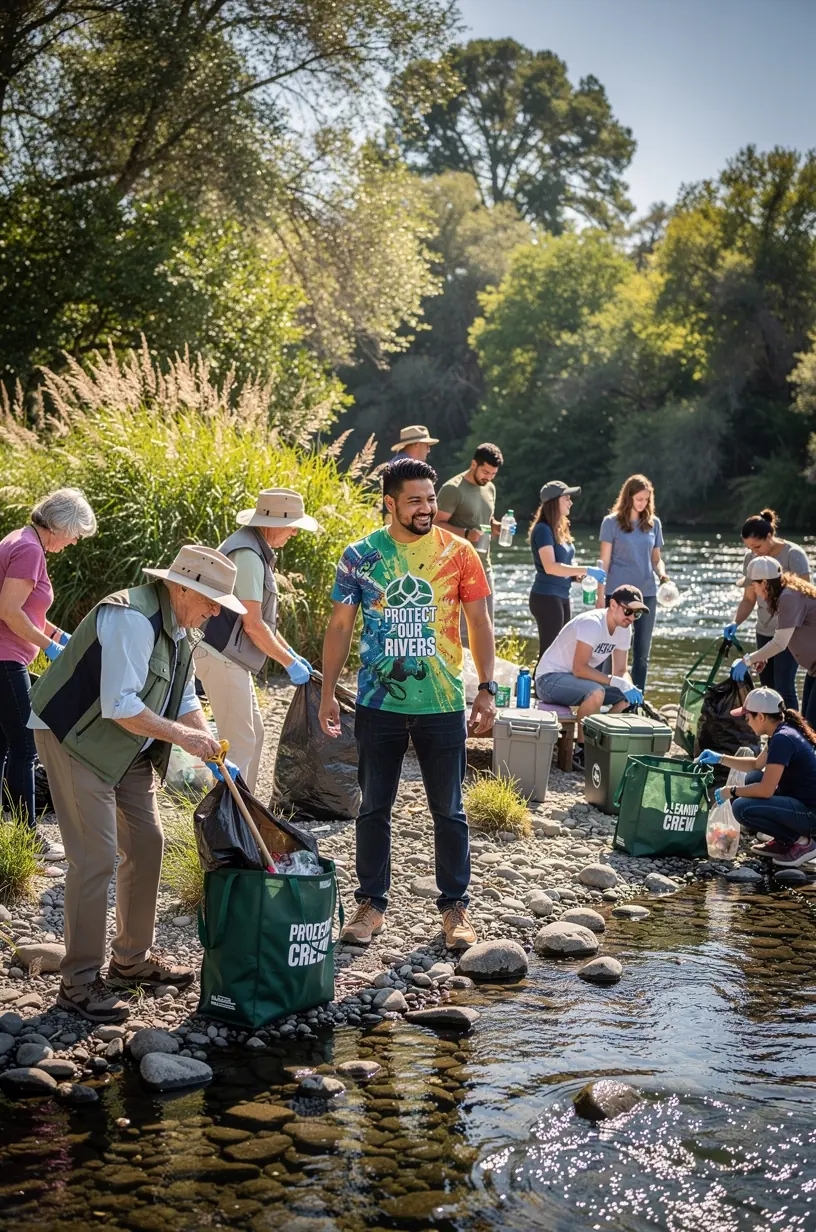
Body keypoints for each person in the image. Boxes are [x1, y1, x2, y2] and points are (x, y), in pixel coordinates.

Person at [28, 545, 244, 1024]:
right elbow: (121, 705)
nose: (214, 611)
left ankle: (131, 961)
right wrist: (183, 736)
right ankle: (78, 984)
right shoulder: (130, 617)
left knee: (148, 843)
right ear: (183, 587)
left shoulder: (183, 628)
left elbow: (184, 696)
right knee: (95, 857)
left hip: (127, 747)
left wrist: (210, 745)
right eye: (211, 601)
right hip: (73, 738)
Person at [319, 457, 497, 951]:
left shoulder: (460, 554)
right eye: (415, 500)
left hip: (442, 702)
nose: (426, 508)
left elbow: (480, 624)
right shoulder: (360, 556)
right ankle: (371, 904)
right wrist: (329, 693)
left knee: (450, 809)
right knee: (374, 807)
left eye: (431, 499)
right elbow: (339, 627)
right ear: (390, 503)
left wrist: (487, 688)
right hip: (379, 703)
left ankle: (455, 909)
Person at [195, 489, 318, 790]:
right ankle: (226, 822)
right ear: (272, 523)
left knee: (255, 734)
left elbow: (258, 620)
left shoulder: (253, 547)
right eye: (292, 527)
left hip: (228, 657)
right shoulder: (248, 555)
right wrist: (289, 663)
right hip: (221, 656)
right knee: (238, 743)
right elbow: (252, 625)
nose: (293, 534)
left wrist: (291, 654)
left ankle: (243, 814)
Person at [0, 488, 97, 857]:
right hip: (6, 659)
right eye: (75, 534)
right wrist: (49, 648)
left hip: (7, 656)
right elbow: (9, 612)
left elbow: (28, 611)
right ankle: (29, 839)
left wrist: (59, 636)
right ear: (63, 525)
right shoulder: (28, 550)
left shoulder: (22, 540)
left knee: (3, 747)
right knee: (25, 747)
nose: (73, 542)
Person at [698, 686, 816, 868]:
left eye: (748, 716)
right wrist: (719, 758)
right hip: (800, 803)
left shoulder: (783, 739)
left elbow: (766, 790)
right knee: (752, 777)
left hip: (810, 814)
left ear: (761, 717)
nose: (746, 721)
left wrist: (731, 791)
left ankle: (801, 843)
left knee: (741, 807)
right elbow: (756, 765)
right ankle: (785, 840)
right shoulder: (782, 731)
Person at [534, 585, 647, 769]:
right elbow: (579, 669)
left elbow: (620, 671)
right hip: (548, 680)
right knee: (596, 692)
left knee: (624, 699)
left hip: (577, 682)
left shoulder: (625, 629)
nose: (632, 618)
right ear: (612, 604)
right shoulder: (592, 623)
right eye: (628, 610)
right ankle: (581, 751)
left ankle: (600, 743)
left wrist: (630, 688)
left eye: (637, 614)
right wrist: (615, 681)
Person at [723, 509, 810, 710]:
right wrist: (735, 622)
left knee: (784, 687)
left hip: (790, 634)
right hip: (764, 630)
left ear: (769, 536)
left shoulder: (793, 555)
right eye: (749, 548)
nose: (754, 552)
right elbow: (748, 599)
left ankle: (790, 735)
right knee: (767, 689)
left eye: (757, 546)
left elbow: (806, 598)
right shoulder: (751, 559)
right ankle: (773, 737)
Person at [596, 474, 669, 693]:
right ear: (628, 497)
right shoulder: (611, 523)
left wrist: (663, 575)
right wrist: (601, 597)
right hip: (616, 595)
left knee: (642, 654)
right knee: (609, 649)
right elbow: (604, 562)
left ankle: (637, 699)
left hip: (646, 594)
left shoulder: (653, 524)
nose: (643, 504)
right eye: (639, 499)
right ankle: (607, 696)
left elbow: (656, 559)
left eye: (646, 499)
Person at [434, 443, 503, 647]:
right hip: (457, 568)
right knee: (462, 631)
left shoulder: (489, 487)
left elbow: (484, 520)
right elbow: (436, 524)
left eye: (493, 473)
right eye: (485, 471)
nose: (488, 477)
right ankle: (461, 676)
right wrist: (465, 534)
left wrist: (498, 527)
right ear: (474, 464)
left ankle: (483, 678)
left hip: (484, 565)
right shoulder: (452, 489)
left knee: (486, 624)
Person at [528, 480, 606, 658]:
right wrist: (586, 569)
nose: (570, 503)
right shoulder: (542, 530)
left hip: (562, 596)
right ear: (555, 502)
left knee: (560, 652)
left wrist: (576, 577)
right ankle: (539, 685)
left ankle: (548, 685)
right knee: (549, 652)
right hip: (546, 597)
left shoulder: (559, 528)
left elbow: (562, 566)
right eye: (567, 499)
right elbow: (550, 567)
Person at [734, 558, 816, 727]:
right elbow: (786, 635)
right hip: (813, 669)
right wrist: (763, 657)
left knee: (812, 723)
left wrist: (748, 660)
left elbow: (780, 643)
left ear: (764, 583)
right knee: (807, 723)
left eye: (754, 585)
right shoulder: (786, 594)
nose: (754, 591)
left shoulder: (788, 597)